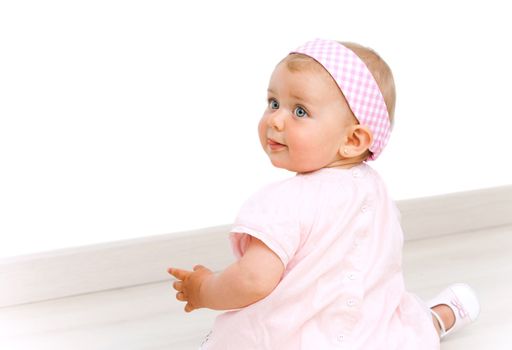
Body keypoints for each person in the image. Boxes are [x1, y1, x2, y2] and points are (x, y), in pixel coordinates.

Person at [167, 39, 480, 349]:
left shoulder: (282, 202)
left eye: (300, 111)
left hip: (290, 340)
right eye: (273, 103)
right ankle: (438, 318)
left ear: (354, 140)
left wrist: (205, 289)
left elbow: (252, 281)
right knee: (403, 329)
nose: (275, 119)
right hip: (368, 336)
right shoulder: (375, 191)